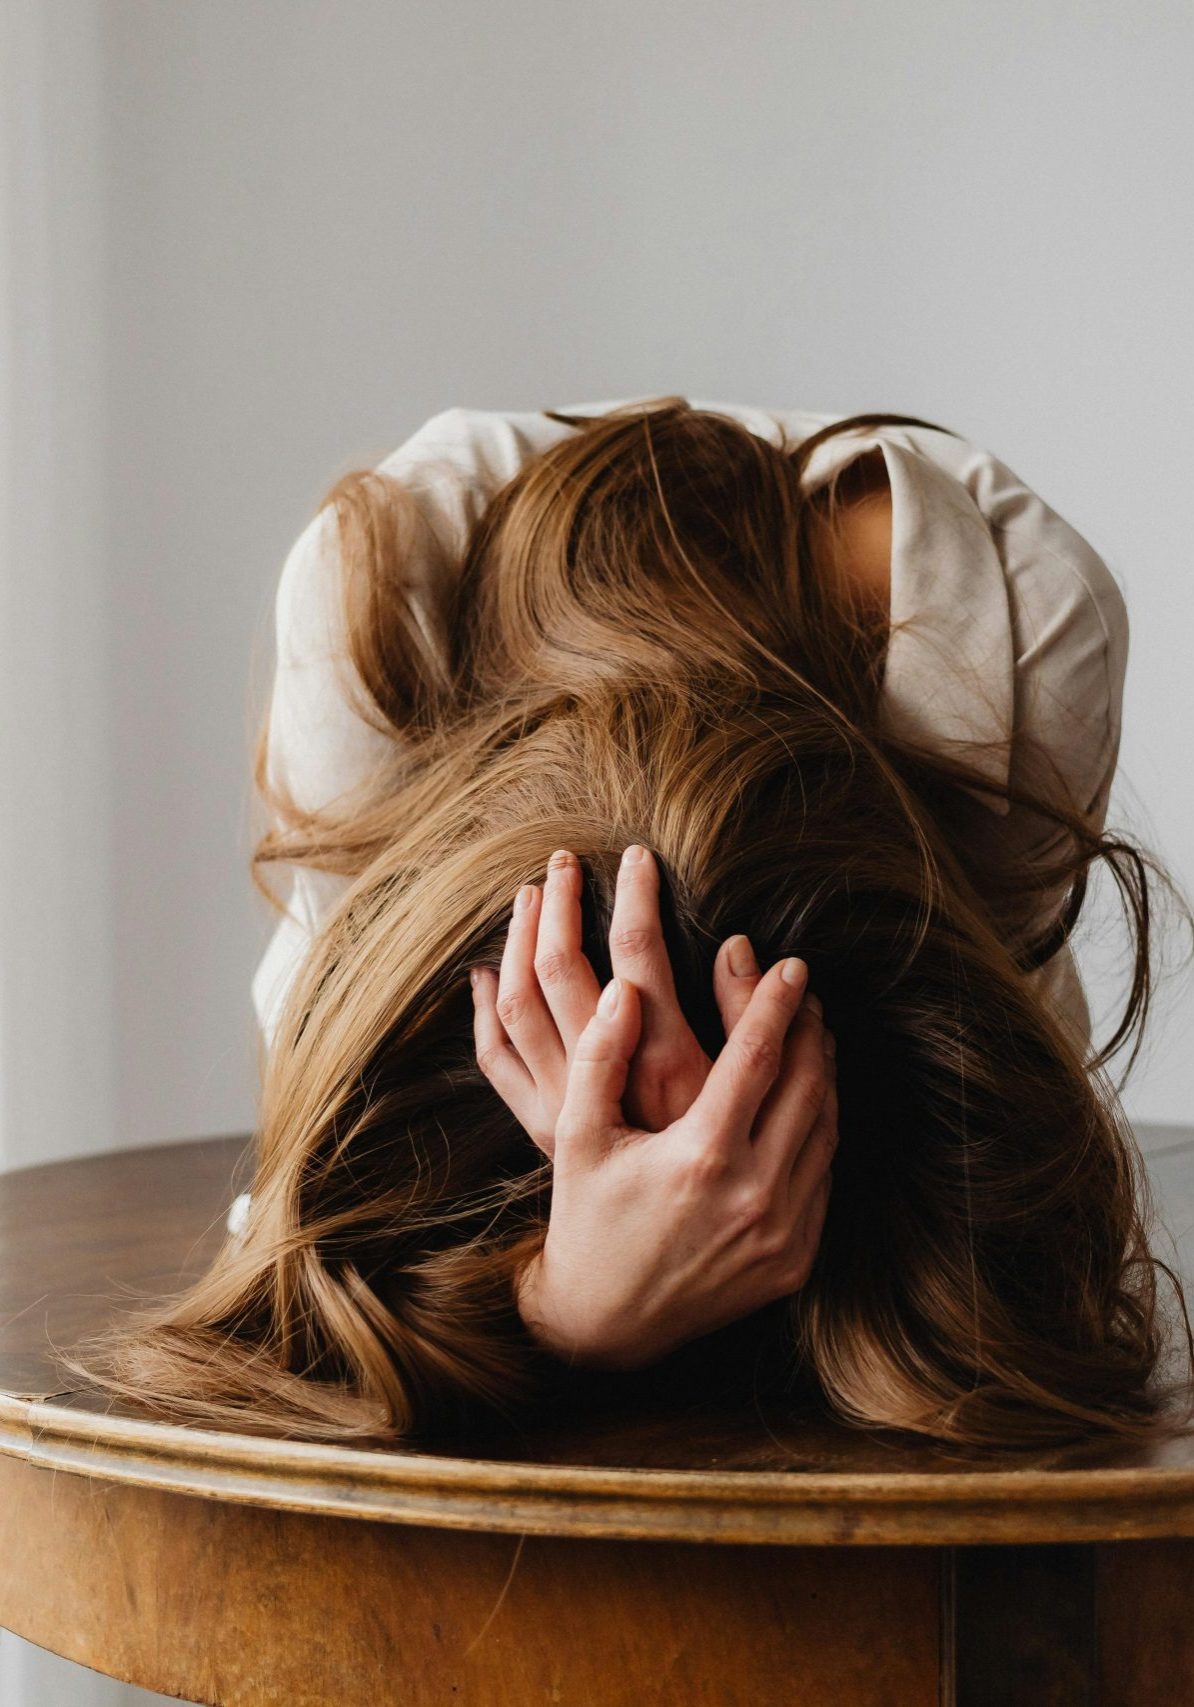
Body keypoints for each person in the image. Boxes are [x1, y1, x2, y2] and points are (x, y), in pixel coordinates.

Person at [69, 395, 1192, 1449]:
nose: (690, 1152)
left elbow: (1030, 1290)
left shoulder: (1010, 648)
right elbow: (292, 1251)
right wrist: (559, 1304)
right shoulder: (374, 612)